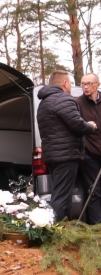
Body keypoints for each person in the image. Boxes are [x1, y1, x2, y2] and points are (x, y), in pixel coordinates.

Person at [38, 70, 96, 222]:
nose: (71, 86)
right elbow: (77, 124)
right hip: (65, 155)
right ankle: (53, 231)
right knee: (61, 197)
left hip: (53, 156)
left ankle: (64, 229)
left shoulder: (44, 103)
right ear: (64, 83)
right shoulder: (63, 99)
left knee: (62, 194)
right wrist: (90, 126)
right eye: (70, 82)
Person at [77, 73, 101, 224]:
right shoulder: (77, 103)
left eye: (89, 83)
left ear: (97, 84)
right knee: (94, 192)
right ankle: (96, 230)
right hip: (90, 155)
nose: (86, 87)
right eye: (83, 84)